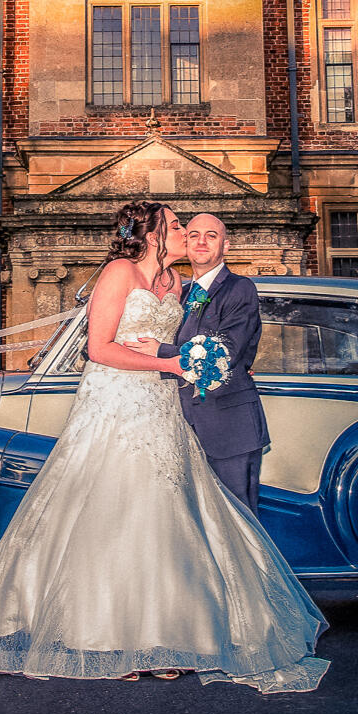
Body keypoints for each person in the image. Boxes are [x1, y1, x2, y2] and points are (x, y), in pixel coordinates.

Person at [0, 201, 328, 692]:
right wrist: (171, 365)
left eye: (198, 230)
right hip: (116, 403)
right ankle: (104, 639)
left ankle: (163, 638)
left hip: (163, 409)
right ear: (154, 234)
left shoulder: (178, 285)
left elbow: (209, 343)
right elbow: (99, 348)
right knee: (110, 514)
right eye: (178, 226)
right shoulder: (120, 272)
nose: (186, 233)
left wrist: (186, 361)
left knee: (163, 521)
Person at [138, 213, 269, 512]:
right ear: (185, 243)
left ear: (226, 245)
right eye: (194, 235)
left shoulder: (240, 288)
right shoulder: (180, 294)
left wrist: (160, 351)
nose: (201, 241)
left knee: (237, 517)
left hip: (229, 427)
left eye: (211, 235)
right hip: (179, 425)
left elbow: (225, 352)